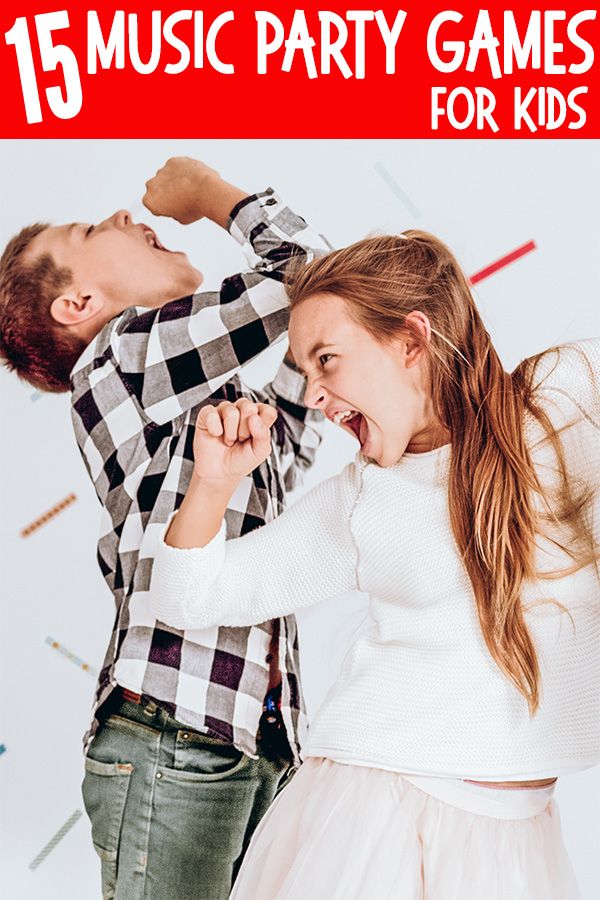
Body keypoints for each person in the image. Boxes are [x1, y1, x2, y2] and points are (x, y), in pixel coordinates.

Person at [149, 231, 599, 900]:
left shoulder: (561, 405)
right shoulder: (364, 501)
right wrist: (213, 482)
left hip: (516, 837)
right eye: (306, 373)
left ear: (411, 342)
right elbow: (190, 597)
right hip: (375, 817)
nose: (315, 396)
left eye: (327, 360)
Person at [0, 157, 330, 899]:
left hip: (248, 738)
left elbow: (290, 442)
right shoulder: (122, 357)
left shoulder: (190, 388)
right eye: (89, 229)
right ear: (78, 302)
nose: (122, 216)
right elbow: (311, 276)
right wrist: (212, 194)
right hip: (176, 734)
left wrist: (324, 366)